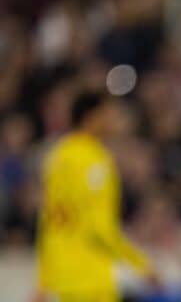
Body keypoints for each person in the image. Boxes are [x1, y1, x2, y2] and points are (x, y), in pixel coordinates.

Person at [35, 92, 157, 302]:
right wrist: (140, 264)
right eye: (108, 113)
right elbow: (100, 227)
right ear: (92, 117)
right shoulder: (95, 161)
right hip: (91, 277)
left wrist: (43, 282)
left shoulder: (58, 156)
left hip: (64, 278)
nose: (113, 120)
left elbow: (49, 222)